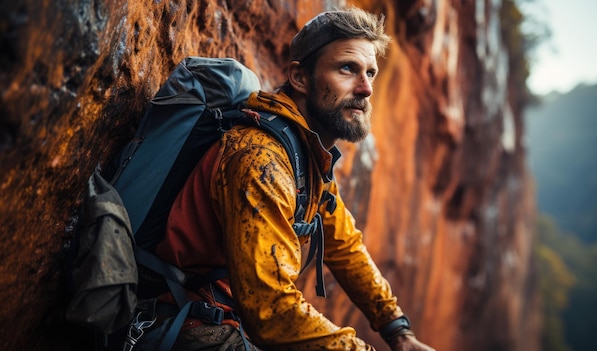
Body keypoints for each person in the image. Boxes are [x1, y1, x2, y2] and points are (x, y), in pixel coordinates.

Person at [155, 7, 436, 351]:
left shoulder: (304, 156)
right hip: (183, 323)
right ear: (300, 78)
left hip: (222, 319)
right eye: (347, 68)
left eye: (371, 73)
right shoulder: (261, 160)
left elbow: (345, 246)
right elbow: (273, 311)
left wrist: (398, 330)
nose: (365, 88)